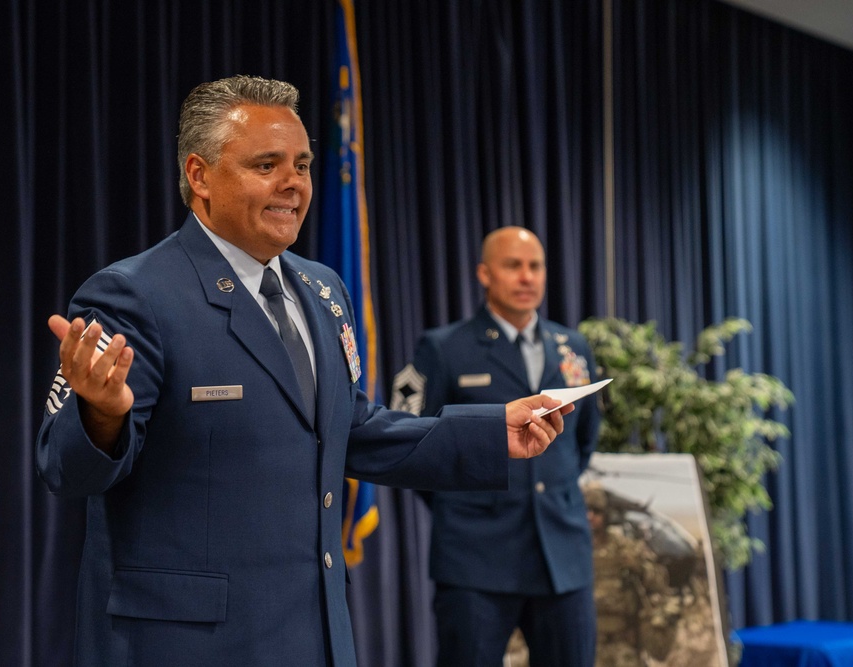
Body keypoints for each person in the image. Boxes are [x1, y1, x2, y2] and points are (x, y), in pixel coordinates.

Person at [34, 76, 572, 667]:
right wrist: (100, 414)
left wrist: (493, 429)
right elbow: (66, 469)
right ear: (199, 175)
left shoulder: (322, 290)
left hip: (313, 631)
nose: (293, 184)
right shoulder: (131, 296)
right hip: (185, 642)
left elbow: (353, 430)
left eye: (303, 165)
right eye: (267, 165)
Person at [396, 226, 600, 666]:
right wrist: (467, 503)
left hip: (562, 558)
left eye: (535, 266)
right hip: (476, 559)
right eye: (513, 266)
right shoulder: (444, 348)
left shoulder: (574, 346)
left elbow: (582, 443)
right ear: (485, 274)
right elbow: (415, 444)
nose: (527, 277)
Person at [585, 483, 679, 667]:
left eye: (596, 511)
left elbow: (659, 581)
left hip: (622, 643)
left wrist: (640, 568)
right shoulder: (570, 551)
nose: (590, 516)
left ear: (605, 515)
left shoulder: (625, 548)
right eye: (586, 510)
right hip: (585, 643)